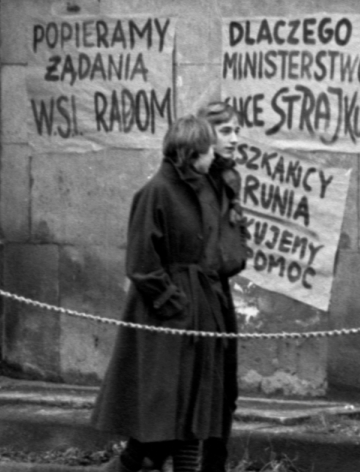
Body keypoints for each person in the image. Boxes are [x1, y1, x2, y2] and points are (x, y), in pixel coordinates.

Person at [92, 114, 247, 472]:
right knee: (169, 411)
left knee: (196, 409)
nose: (216, 155)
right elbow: (142, 263)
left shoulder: (208, 186)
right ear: (194, 153)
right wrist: (175, 304)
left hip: (204, 307)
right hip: (171, 317)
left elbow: (218, 245)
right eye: (210, 148)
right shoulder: (156, 192)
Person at [195, 101, 245, 472]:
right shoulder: (188, 179)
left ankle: (215, 464)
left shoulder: (229, 177)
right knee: (193, 387)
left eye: (237, 131)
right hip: (194, 292)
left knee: (226, 389)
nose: (235, 139)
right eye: (226, 131)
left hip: (220, 290)